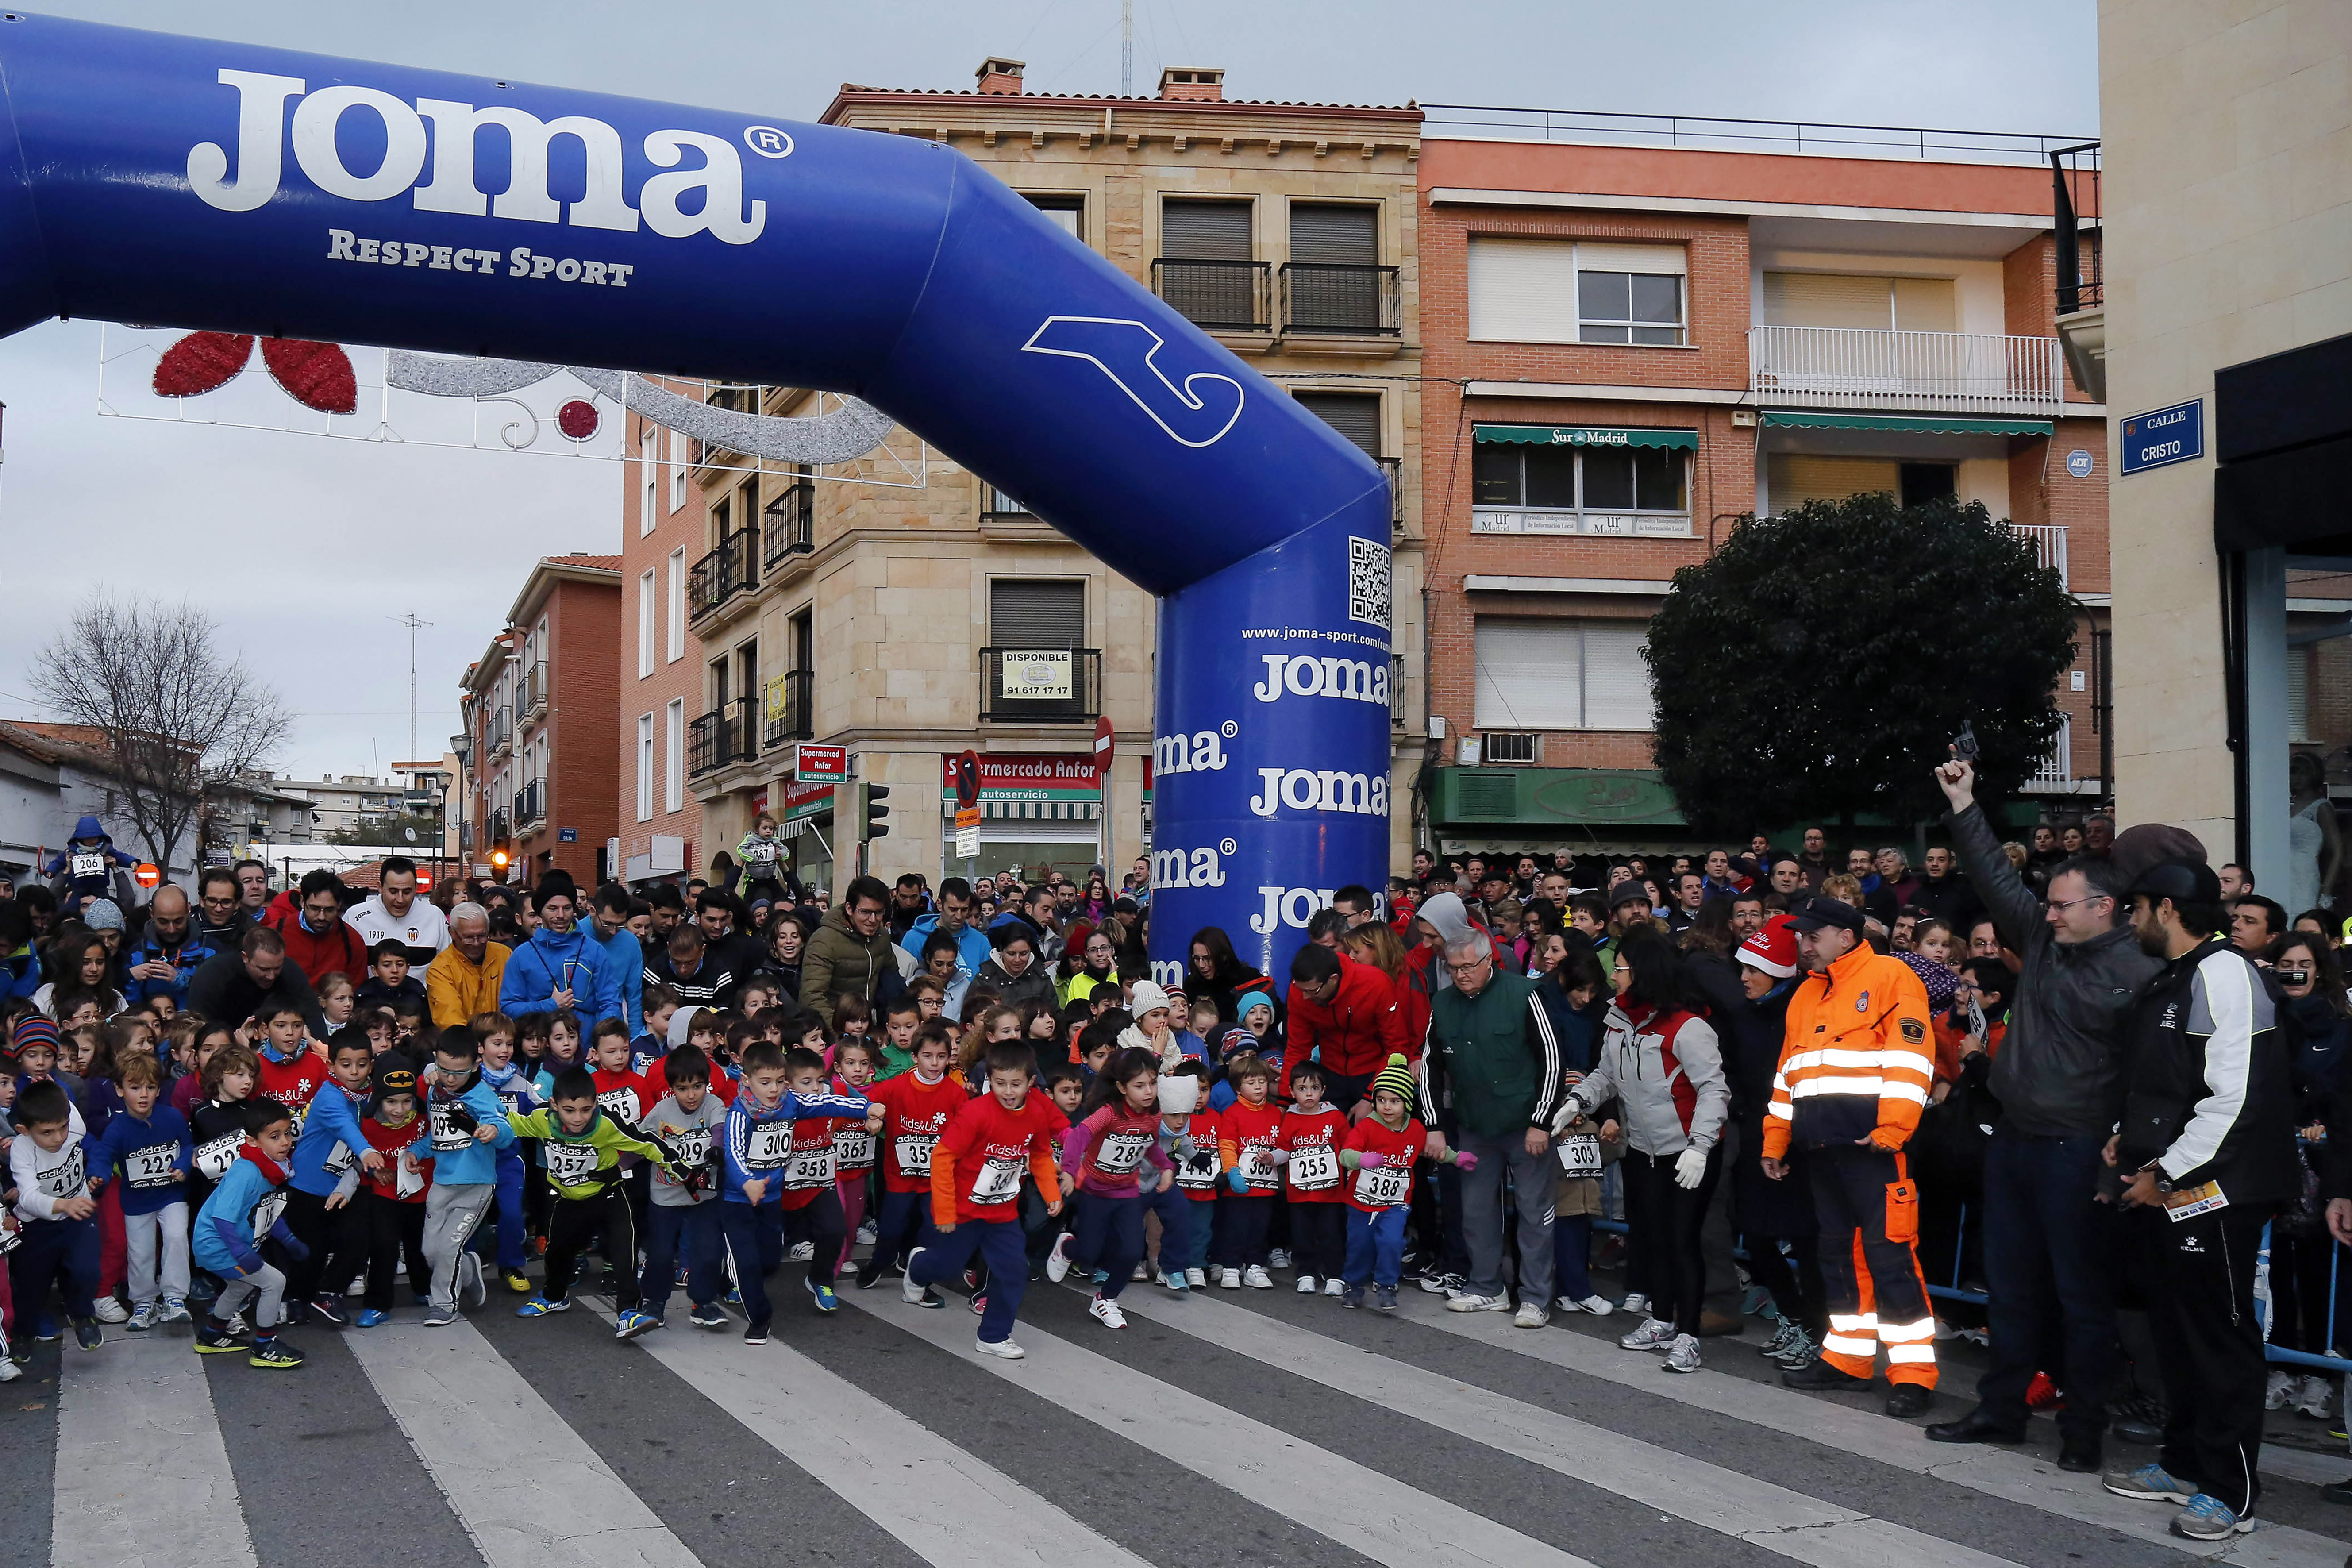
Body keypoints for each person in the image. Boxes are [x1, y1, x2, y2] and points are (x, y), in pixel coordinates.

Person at [1925, 758, 2164, 1467]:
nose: (2047, 912)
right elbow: (1998, 880)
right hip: (2015, 1141)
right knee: (2010, 1286)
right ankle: (2000, 1406)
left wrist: (2118, 1153)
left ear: (2106, 907)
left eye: (2063, 904)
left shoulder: (2141, 974)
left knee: (2079, 1296)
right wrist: (1964, 802)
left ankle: (2082, 1427)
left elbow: (2151, 1076)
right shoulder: (2041, 939)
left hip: (2078, 1151)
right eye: (2048, 904)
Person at [2102, 859, 2295, 1541]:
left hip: (2217, 1190)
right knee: (2177, 1335)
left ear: (2163, 907)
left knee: (2219, 1340)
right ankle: (2184, 1463)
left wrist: (2166, 1172)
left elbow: (2232, 1096)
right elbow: (2168, 1081)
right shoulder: (2177, 975)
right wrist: (2127, 1140)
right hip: (2175, 1185)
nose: (2128, 920)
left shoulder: (2223, 972)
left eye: (2134, 908)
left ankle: (2229, 1492)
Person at [1762, 895, 1939, 1418]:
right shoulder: (1804, 994)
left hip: (1873, 1148)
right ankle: (1847, 1361)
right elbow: (1784, 1078)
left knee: (1890, 1260)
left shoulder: (1889, 976)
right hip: (1822, 1148)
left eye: (1811, 937)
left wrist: (1892, 1131)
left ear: (1845, 935)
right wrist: (1775, 1141)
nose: (1803, 945)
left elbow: (1912, 1059)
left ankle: (1912, 1375)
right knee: (1836, 1260)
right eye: (1801, 937)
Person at [1555, 926, 1728, 1373]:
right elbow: (1605, 1076)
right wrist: (1578, 1100)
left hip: (1687, 1152)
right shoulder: (1617, 1021)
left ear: (1643, 970)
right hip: (1642, 1149)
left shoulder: (1688, 1027)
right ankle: (1662, 1319)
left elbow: (1713, 1091)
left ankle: (1688, 1334)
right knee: (1651, 1238)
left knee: (1682, 1240)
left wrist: (1700, 1146)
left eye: (1621, 967)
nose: (1615, 975)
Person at [1423, 928, 1564, 1328]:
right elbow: (1429, 1067)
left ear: (1489, 961)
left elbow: (1551, 1061)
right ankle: (1487, 1287)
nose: (1461, 975)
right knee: (1476, 1210)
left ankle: (1536, 1297)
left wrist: (1541, 1121)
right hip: (1474, 1124)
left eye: (1468, 966)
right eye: (1453, 969)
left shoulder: (1524, 994)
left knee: (1535, 1213)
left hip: (1525, 1123)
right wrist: (1433, 1125)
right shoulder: (1443, 1002)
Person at [900, 1037, 1065, 1360]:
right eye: (999, 1083)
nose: (1007, 1091)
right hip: (962, 1209)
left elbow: (1041, 1152)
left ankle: (993, 1335)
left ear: (1031, 1083)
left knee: (1013, 1270)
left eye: (1015, 1084)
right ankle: (918, 1267)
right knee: (947, 1264)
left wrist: (1051, 1193)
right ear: (989, 1080)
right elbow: (943, 1156)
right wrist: (945, 1211)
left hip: (1002, 1213)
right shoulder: (976, 1113)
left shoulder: (1035, 1113)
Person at [504, 1063, 685, 1338]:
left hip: (609, 1196)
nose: (578, 1119)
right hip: (567, 1200)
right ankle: (555, 1296)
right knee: (557, 1253)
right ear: (554, 1104)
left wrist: (680, 1167)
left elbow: (646, 1143)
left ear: (595, 1103)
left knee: (624, 1252)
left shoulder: (606, 1125)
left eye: (586, 1110)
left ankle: (629, 1312)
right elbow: (511, 1121)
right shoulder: (543, 1120)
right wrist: (475, 1116)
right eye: (569, 1110)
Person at [716, 1037, 874, 1345]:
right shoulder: (740, 1114)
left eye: (778, 1082)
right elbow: (733, 1152)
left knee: (771, 1261)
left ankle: (739, 1277)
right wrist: (747, 1181)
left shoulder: (791, 1102)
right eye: (765, 1083)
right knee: (748, 1263)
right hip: (739, 1200)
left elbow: (828, 1102)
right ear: (747, 1081)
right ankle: (759, 1319)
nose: (774, 1089)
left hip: (772, 1197)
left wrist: (866, 1106)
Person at [1045, 1045, 1178, 1331]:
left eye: (1153, 1083)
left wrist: (1166, 1166)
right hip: (1094, 1191)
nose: (1148, 1091)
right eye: (1139, 1085)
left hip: (1127, 1193)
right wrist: (1068, 1171)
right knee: (1089, 1254)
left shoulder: (1153, 1115)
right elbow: (1079, 1135)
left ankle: (1106, 1299)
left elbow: (1151, 1146)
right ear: (1121, 1086)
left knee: (1132, 1251)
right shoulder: (1109, 1114)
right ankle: (1068, 1247)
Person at [1339, 1054, 1473, 1312]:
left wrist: (1458, 1159)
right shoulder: (1367, 1127)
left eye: (1395, 1101)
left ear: (1407, 1103)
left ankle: (1387, 1285)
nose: (1387, 1107)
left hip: (1395, 1204)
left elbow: (1434, 1151)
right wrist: (1363, 1159)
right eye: (1381, 1100)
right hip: (1362, 1202)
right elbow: (1346, 1155)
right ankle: (1354, 1284)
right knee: (1360, 1245)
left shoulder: (1416, 1130)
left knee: (1391, 1242)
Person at [408, 1025, 516, 1328]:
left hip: (476, 1185)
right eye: (443, 1069)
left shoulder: (482, 1095)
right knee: (430, 1250)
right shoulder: (434, 1089)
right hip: (441, 1183)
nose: (450, 1078)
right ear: (435, 1060)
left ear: (476, 1065)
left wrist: (494, 1130)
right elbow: (436, 1134)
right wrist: (417, 1150)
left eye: (459, 1072)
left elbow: (504, 1129)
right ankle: (467, 1269)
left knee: (448, 1247)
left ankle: (444, 1304)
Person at [190, 1098, 308, 1369]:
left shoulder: (269, 1167)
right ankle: (265, 1346)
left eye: (288, 1134)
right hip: (218, 1244)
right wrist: (242, 1254)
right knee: (274, 1282)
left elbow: (264, 1210)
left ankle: (211, 1335)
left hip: (227, 1243)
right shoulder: (246, 1172)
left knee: (241, 1286)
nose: (285, 1142)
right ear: (253, 1141)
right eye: (275, 1137)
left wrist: (289, 1240)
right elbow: (221, 1218)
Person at [91, 1052, 192, 1331]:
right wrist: (98, 1175)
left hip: (172, 1195)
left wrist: (184, 1164)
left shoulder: (171, 1117)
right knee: (141, 1251)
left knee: (175, 1237)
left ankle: (174, 1298)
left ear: (159, 1090)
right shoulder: (118, 1128)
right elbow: (103, 1154)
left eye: (150, 1087)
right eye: (135, 1088)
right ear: (120, 1090)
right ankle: (144, 1301)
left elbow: (188, 1145)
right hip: (136, 1202)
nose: (143, 1095)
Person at [635, 1044, 730, 1331]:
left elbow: (719, 1130)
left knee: (709, 1250)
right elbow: (639, 1142)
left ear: (707, 1083)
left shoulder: (713, 1104)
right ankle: (654, 1301)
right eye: (683, 1088)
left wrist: (716, 1150)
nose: (691, 1095)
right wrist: (617, 1165)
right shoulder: (661, 1111)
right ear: (672, 1088)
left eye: (698, 1086)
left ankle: (703, 1303)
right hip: (666, 1195)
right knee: (662, 1252)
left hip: (704, 1194)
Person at [10, 1078, 105, 1351]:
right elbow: (27, 1198)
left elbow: (66, 1107)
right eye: (47, 1132)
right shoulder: (22, 1149)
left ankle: (81, 1314)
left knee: (86, 1270)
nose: (59, 1138)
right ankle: (24, 1331)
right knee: (32, 1284)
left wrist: (57, 1088)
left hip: (78, 1217)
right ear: (24, 1130)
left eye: (63, 1127)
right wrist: (64, 1204)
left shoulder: (73, 1125)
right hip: (37, 1228)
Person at [1282, 943, 1407, 1116]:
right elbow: (1297, 1049)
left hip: (1373, 1071)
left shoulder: (1375, 984)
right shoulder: (1299, 992)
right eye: (1300, 989)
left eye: (1312, 991)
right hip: (1330, 1073)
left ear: (1333, 979)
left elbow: (1396, 1049)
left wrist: (1371, 1096)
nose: (1305, 997)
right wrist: (1284, 1101)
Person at [498, 872, 622, 1032]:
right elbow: (509, 1008)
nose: (561, 915)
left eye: (567, 908)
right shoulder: (521, 955)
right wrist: (550, 1005)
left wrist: (601, 1042)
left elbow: (610, 1002)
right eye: (553, 909)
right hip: (538, 1048)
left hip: (587, 1050)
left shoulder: (595, 951)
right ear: (540, 912)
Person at [185, 927, 327, 1038]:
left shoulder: (291, 972)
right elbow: (197, 1028)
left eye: (277, 968)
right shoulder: (213, 976)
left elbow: (313, 1017)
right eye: (264, 969)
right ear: (245, 957)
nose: (271, 976)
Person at [800, 877, 897, 1029]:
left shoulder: (882, 937)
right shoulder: (824, 941)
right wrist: (840, 1034)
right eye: (865, 912)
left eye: (879, 913)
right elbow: (812, 997)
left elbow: (893, 979)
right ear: (849, 909)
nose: (873, 920)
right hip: (836, 1030)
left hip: (871, 1027)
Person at [343, 857, 450, 969]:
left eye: (407, 892)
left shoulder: (434, 916)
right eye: (393, 892)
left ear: (416, 888)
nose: (400, 899)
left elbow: (447, 967)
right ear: (380, 887)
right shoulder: (355, 917)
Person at [270, 870, 370, 986]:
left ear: (339, 905)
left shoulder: (352, 941)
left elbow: (358, 989)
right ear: (302, 902)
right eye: (315, 908)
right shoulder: (275, 934)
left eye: (329, 910)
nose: (322, 917)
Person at [120, 886, 211, 1012]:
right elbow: (127, 1006)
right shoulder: (137, 952)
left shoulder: (210, 950)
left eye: (178, 921)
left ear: (188, 911)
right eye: (163, 922)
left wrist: (186, 982)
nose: (171, 930)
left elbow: (218, 997)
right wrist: (130, 978)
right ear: (152, 914)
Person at [426, 902, 509, 1029]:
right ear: (452, 933)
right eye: (469, 938)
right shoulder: (441, 969)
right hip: (464, 1042)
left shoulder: (505, 955)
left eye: (482, 936)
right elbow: (449, 1017)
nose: (476, 943)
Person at [900, 876, 992, 977]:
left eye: (965, 910)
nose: (959, 916)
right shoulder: (914, 939)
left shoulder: (981, 942)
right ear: (940, 905)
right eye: (953, 909)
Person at [589, 884, 647, 1036]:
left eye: (620, 925)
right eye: (607, 924)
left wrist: (635, 1039)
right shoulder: (576, 934)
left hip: (613, 1030)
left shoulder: (630, 942)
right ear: (592, 911)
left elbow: (634, 997)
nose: (613, 931)